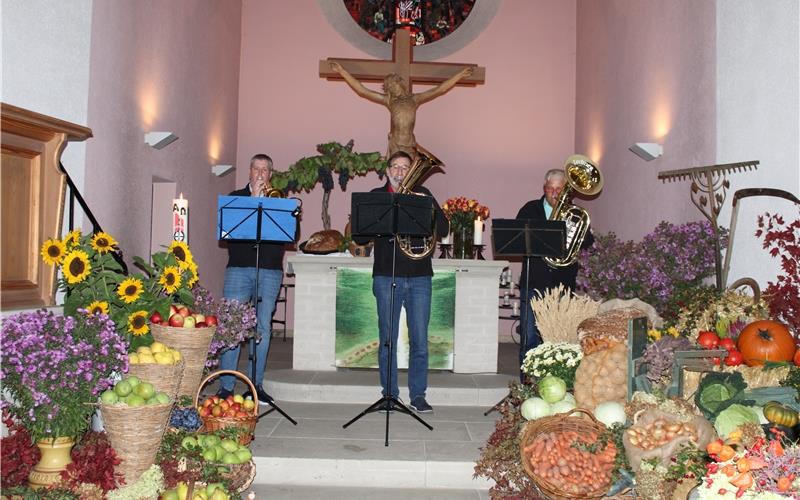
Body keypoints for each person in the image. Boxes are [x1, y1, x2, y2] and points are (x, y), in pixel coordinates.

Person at [354, 150, 449, 413]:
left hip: (420, 276)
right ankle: (390, 394)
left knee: (419, 339)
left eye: (404, 167)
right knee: (387, 339)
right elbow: (360, 238)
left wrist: (426, 208)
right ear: (387, 171)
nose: (399, 172)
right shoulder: (376, 197)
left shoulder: (424, 194)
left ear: (411, 171)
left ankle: (418, 395)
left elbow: (443, 229)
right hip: (386, 275)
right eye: (394, 167)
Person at [217, 154, 295, 404]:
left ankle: (255, 384)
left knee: (262, 328)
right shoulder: (234, 198)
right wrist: (252, 202)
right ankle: (226, 386)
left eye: (265, 170)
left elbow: (291, 234)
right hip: (238, 268)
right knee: (232, 326)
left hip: (270, 269)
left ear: (271, 174)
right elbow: (226, 234)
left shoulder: (280, 200)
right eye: (256, 169)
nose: (261, 174)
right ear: (249, 172)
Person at [515, 168, 595, 379]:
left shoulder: (575, 214)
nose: (555, 193)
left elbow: (587, 244)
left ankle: (553, 381)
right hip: (534, 281)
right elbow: (519, 239)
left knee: (556, 337)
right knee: (529, 336)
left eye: (560, 189)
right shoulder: (529, 210)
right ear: (545, 188)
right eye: (551, 188)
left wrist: (576, 233)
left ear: (567, 191)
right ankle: (526, 382)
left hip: (562, 283)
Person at [329, 60, 473, 156]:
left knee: (409, 183)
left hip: (410, 145)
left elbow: (439, 89)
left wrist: (459, 75)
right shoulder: (390, 101)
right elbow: (362, 91)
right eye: (389, 87)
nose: (392, 88)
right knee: (395, 181)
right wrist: (342, 71)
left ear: (400, 83)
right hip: (395, 145)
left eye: (393, 84)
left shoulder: (414, 99)